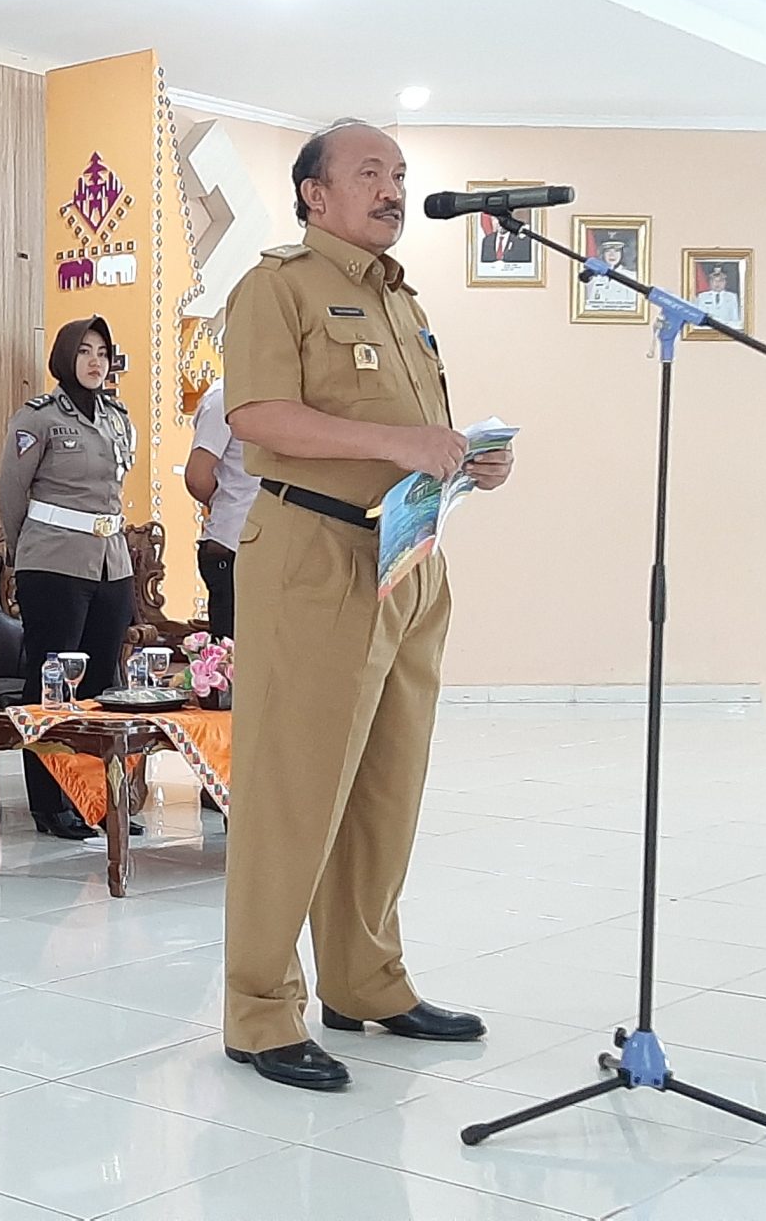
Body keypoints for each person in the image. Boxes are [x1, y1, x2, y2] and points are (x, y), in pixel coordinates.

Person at [219, 121, 515, 1092]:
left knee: (387, 786)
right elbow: (255, 416)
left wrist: (467, 456)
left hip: (408, 554)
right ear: (313, 192)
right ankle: (260, 1010)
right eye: (370, 174)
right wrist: (400, 447)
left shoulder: (403, 300)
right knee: (294, 787)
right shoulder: (278, 285)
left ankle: (365, 981)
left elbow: (409, 433)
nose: (391, 189)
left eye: (399, 174)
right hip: (311, 555)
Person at [0, 316, 140, 841]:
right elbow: (12, 494)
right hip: (53, 562)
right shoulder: (38, 418)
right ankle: (50, 801)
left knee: (104, 684)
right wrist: (22, 553)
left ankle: (98, 799)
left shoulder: (118, 417)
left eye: (102, 351)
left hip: (111, 561)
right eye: (84, 351)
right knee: (51, 684)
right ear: (63, 358)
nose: (95, 361)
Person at [185, 374, 253, 641]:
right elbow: (197, 476)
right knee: (233, 653)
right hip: (232, 543)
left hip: (272, 545)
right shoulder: (225, 396)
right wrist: (229, 503)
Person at [695, 264, 743, 328]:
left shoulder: (732, 297)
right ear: (710, 282)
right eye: (714, 280)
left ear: (725, 282)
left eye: (721, 281)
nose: (717, 283)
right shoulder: (702, 297)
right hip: (707, 330)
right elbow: (698, 317)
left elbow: (735, 319)